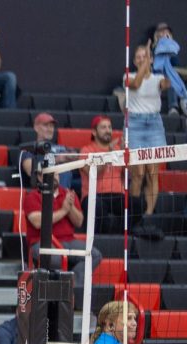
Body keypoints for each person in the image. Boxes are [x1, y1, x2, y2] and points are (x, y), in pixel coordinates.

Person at [126, 45, 170, 235]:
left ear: (151, 59)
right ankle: (135, 215)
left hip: (153, 123)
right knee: (138, 173)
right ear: (135, 61)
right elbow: (136, 84)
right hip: (135, 123)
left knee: (152, 172)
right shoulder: (127, 77)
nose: (142, 59)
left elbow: (167, 84)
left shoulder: (158, 78)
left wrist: (166, 59)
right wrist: (146, 61)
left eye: (145, 56)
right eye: (139, 57)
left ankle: (149, 214)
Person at [22, 174, 100, 281]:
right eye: (50, 174)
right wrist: (63, 210)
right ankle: (61, 288)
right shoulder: (32, 196)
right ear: (40, 177)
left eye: (56, 174)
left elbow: (79, 222)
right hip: (42, 241)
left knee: (94, 255)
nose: (54, 177)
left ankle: (72, 284)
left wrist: (70, 207)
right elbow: (38, 222)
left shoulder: (68, 194)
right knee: (55, 258)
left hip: (68, 241)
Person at [79, 116, 126, 235]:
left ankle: (123, 238)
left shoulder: (117, 149)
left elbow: (128, 174)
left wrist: (126, 155)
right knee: (97, 205)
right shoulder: (86, 150)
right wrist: (108, 155)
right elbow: (92, 173)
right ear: (94, 132)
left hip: (117, 195)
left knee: (135, 203)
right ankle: (98, 241)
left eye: (110, 127)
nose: (108, 130)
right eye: (103, 127)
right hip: (95, 195)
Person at [21, 112, 75, 191]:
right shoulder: (29, 148)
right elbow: (30, 171)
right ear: (36, 127)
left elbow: (78, 159)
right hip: (42, 191)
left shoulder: (60, 148)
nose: (50, 129)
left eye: (52, 126)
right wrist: (56, 160)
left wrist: (72, 156)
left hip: (64, 190)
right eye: (46, 125)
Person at [152, 23, 187, 116]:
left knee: (173, 79)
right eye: (161, 31)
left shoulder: (173, 48)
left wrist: (169, 44)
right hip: (158, 76)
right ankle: (173, 107)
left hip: (174, 75)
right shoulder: (153, 49)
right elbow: (154, 66)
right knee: (170, 81)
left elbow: (176, 64)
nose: (163, 33)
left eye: (165, 31)